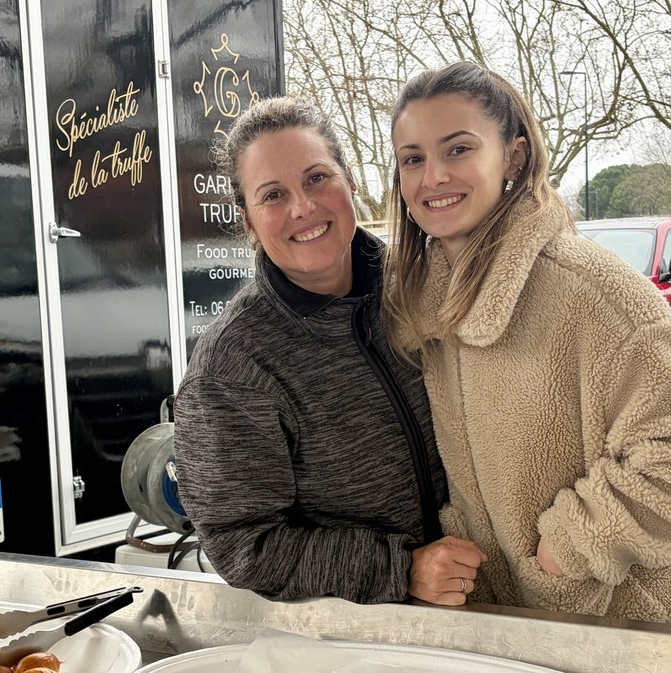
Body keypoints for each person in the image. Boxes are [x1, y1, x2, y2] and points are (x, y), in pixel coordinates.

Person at [381, 62, 671, 626]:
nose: (432, 176)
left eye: (458, 149)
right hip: (526, 630)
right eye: (413, 159)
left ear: (514, 157)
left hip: (634, 633)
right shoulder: (427, 307)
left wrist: (568, 549)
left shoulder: (590, 290)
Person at [173, 96, 487, 606]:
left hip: (493, 592)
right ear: (248, 220)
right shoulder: (233, 368)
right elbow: (243, 545)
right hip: (372, 629)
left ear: (350, 182)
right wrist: (400, 569)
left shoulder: (422, 289)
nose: (302, 207)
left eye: (317, 178)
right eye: (273, 195)